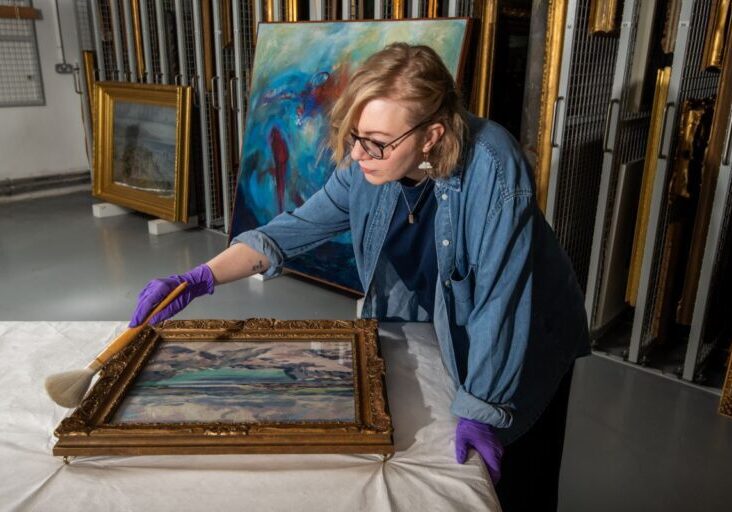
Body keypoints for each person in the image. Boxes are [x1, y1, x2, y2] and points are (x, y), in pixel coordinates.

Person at [130, 43, 590, 511]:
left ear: (430, 136)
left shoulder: (493, 166)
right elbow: (294, 228)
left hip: (532, 334)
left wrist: (483, 409)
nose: (358, 152)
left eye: (376, 141)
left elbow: (501, 300)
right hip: (464, 324)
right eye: (355, 134)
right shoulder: (364, 161)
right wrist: (200, 277)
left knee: (520, 479)